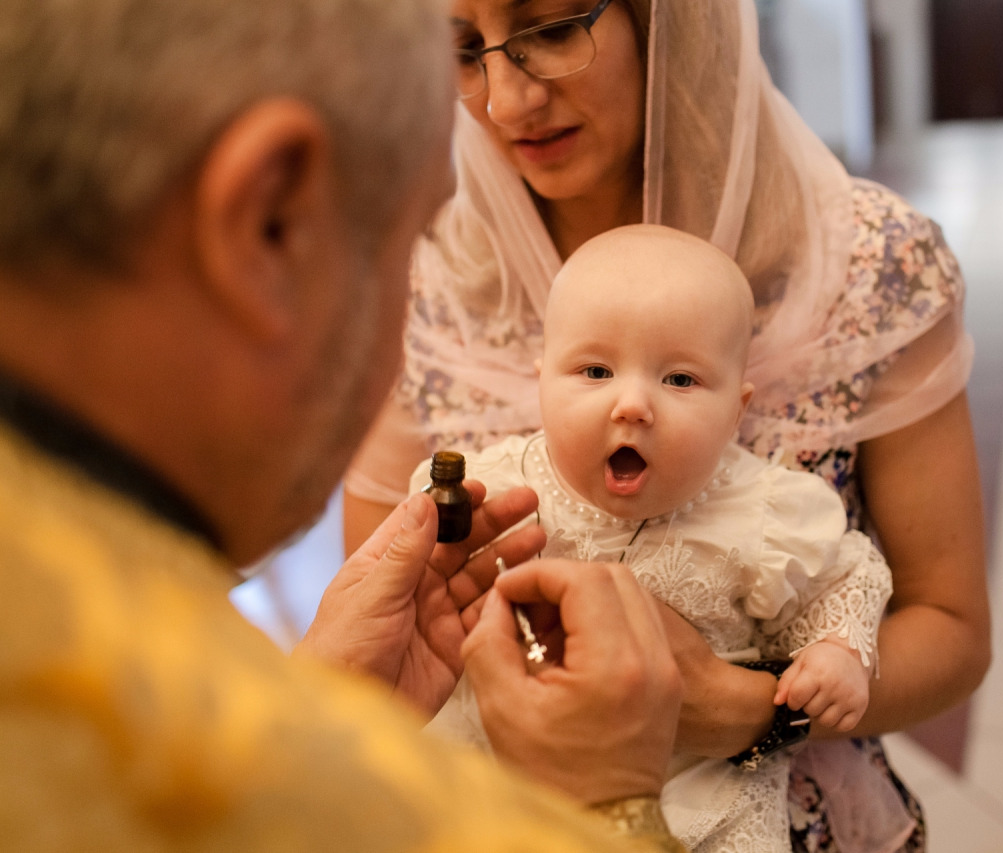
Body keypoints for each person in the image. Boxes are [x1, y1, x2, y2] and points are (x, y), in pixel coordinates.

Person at [0, 0, 689, 850]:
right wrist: (608, 806)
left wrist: (328, 701)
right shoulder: (194, 753)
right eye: (409, 239)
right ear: (268, 222)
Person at [343, 0, 992, 849]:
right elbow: (381, 616)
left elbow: (951, 630)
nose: (506, 102)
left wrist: (748, 706)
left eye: (549, 29)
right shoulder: (431, 283)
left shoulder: (869, 265)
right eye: (463, 50)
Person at [414, 225, 896, 853]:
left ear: (736, 409)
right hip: (503, 762)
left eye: (680, 381)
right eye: (595, 370)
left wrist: (837, 652)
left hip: (692, 784)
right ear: (541, 382)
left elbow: (850, 574)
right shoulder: (496, 489)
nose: (633, 404)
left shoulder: (763, 511)